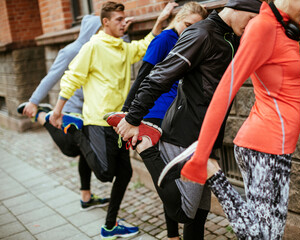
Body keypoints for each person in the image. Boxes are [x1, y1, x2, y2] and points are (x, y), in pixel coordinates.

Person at [174, 0, 300, 239]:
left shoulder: (286, 27)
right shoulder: (263, 28)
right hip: (263, 148)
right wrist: (201, 157)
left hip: (277, 148)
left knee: (272, 232)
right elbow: (225, 90)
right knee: (262, 236)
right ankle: (214, 174)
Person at [113, 0, 262, 238]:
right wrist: (132, 118)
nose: (255, 25)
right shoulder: (201, 33)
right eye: (253, 18)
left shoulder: (232, 36)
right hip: (184, 135)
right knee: (184, 212)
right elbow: (156, 77)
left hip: (208, 135)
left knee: (198, 216)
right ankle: (146, 148)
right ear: (239, 6)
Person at [48, 1, 176, 239]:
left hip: (119, 122)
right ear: (105, 22)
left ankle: (109, 226)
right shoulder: (93, 46)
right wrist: (58, 110)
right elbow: (72, 76)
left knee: (125, 173)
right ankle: (75, 130)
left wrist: (160, 20)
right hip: (97, 119)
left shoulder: (120, 47)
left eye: (123, 18)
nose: (124, 22)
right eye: (118, 19)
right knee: (106, 173)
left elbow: (143, 47)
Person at [17, 14, 131, 210]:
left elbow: (123, 54)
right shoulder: (74, 51)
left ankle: (86, 197)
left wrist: (125, 31)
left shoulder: (106, 47)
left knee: (86, 153)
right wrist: (34, 101)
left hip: (92, 113)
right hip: (73, 111)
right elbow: (51, 77)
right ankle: (42, 115)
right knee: (71, 148)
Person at [120, 2, 207, 239]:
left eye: (194, 28)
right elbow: (143, 76)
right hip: (158, 114)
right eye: (187, 24)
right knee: (169, 180)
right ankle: (172, 235)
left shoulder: (189, 40)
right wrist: (128, 115)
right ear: (178, 18)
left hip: (175, 112)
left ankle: (172, 235)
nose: (189, 30)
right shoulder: (164, 39)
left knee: (173, 181)